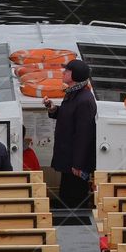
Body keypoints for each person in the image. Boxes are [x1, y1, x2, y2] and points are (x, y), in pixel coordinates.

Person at [44, 59, 96, 209]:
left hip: (76, 164)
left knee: (74, 197)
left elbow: (84, 134)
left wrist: (78, 164)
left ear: (75, 75)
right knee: (66, 194)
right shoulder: (73, 94)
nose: (63, 73)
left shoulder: (84, 100)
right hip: (69, 159)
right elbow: (68, 116)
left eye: (66, 71)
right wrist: (53, 108)